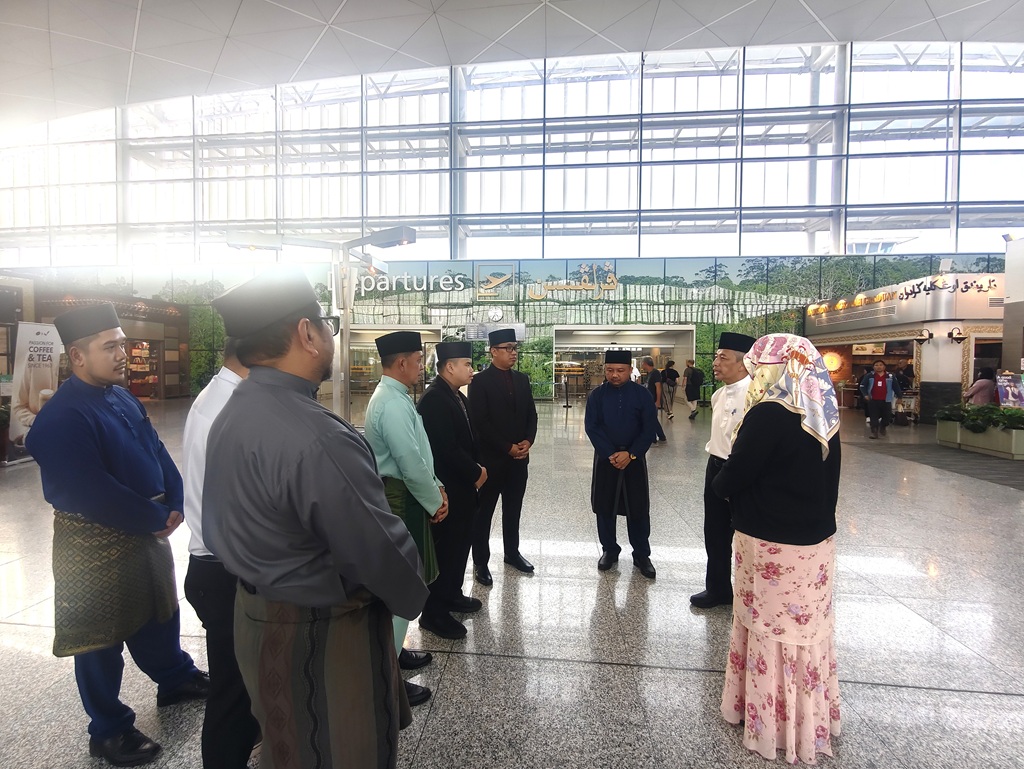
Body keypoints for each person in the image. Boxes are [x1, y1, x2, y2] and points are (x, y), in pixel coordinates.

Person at [202, 269, 428, 768]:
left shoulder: (233, 411)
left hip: (256, 615)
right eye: (327, 324)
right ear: (307, 333)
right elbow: (378, 550)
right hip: (320, 631)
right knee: (342, 749)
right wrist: (413, 593)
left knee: (288, 744)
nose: (330, 336)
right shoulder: (317, 436)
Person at [25, 303, 209, 768]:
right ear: (77, 356)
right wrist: (152, 517)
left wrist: (174, 500)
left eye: (123, 344)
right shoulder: (60, 419)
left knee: (159, 610)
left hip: (145, 529)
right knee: (98, 638)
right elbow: (90, 490)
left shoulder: (122, 397)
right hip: (92, 545)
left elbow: (156, 450)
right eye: (110, 347)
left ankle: (174, 678)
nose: (123, 354)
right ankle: (108, 729)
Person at [712, 333, 842, 764]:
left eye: (757, 366)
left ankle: (771, 722)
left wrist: (719, 485)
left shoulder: (769, 412)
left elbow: (738, 472)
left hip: (771, 539)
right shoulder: (822, 412)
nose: (753, 374)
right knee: (804, 629)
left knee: (770, 627)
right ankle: (810, 719)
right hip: (813, 541)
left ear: (775, 368)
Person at [181, 337, 260, 769]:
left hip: (221, 564)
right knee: (233, 692)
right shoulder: (229, 407)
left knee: (244, 687)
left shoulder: (225, 396)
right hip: (225, 571)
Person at [364, 330, 446, 704]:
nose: (420, 367)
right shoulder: (392, 403)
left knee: (408, 577)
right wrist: (435, 500)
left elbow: (420, 452)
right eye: (417, 361)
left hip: (410, 494)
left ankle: (394, 653)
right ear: (401, 362)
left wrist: (436, 486)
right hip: (402, 498)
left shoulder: (394, 396)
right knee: (403, 582)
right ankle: (388, 681)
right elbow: (409, 463)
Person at [417, 341, 487, 639]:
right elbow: (445, 448)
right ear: (449, 367)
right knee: (447, 549)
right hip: (449, 488)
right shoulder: (434, 399)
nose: (472, 370)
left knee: (460, 545)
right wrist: (476, 473)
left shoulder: (456, 395)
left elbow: (469, 438)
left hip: (464, 487)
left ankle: (452, 595)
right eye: (467, 365)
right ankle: (434, 613)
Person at [690, 332, 756, 610]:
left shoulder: (756, 396)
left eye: (723, 358)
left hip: (742, 470)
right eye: (716, 357)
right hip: (715, 465)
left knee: (747, 534)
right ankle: (717, 589)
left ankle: (749, 593)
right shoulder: (718, 394)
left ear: (743, 363)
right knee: (714, 532)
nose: (715, 363)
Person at [468, 328, 538, 585]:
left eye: (515, 348)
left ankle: (512, 553)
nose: (513, 352)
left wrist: (528, 441)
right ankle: (480, 562)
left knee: (513, 508)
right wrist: (507, 447)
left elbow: (531, 414)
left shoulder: (522, 379)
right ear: (493, 351)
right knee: (484, 512)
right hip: (492, 461)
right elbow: (481, 423)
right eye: (508, 348)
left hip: (519, 460)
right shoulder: (480, 382)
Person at [584, 348, 659, 579]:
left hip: (634, 459)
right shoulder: (597, 395)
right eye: (610, 370)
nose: (614, 375)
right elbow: (592, 427)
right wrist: (609, 453)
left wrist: (632, 453)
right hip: (606, 459)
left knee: (637, 507)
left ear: (630, 370)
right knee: (604, 506)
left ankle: (641, 554)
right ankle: (609, 550)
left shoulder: (642, 395)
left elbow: (649, 428)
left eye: (620, 370)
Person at [859, 359, 903, 438]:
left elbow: (896, 387)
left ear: (884, 367)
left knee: (887, 416)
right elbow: (862, 386)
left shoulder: (890, 376)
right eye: (876, 365)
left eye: (880, 365)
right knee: (874, 416)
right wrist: (865, 395)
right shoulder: (869, 376)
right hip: (873, 400)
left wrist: (899, 397)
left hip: (886, 400)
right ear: (873, 367)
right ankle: (874, 432)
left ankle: (883, 426)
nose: (878, 367)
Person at [641, 356, 668, 444]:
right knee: (652, 419)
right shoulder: (649, 374)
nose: (642, 365)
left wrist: (658, 401)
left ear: (645, 364)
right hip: (648, 400)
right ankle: (659, 436)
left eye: (642, 363)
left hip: (653, 399)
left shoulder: (655, 373)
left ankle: (655, 437)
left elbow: (658, 387)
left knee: (651, 419)